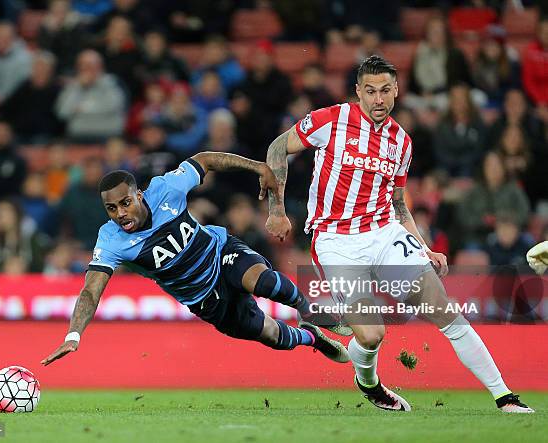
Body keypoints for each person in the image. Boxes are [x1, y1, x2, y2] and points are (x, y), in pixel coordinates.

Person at [264, 55, 533, 413]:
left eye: (386, 90)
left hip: (385, 232)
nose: (379, 99)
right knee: (373, 334)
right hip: (336, 241)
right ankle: (369, 382)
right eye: (371, 91)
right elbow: (278, 147)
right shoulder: (332, 120)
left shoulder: (401, 141)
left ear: (396, 91)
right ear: (358, 91)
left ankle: (505, 397)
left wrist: (424, 246)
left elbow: (398, 203)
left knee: (446, 312)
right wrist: (277, 210)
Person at [41, 152, 349, 367]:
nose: (121, 214)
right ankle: (313, 339)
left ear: (139, 195)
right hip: (205, 300)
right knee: (271, 335)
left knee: (262, 280)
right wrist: (73, 334)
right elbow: (91, 291)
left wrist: (258, 167)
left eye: (125, 203)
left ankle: (309, 310)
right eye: (112, 209)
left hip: (221, 253)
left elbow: (204, 160)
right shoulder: (110, 241)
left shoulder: (166, 188)